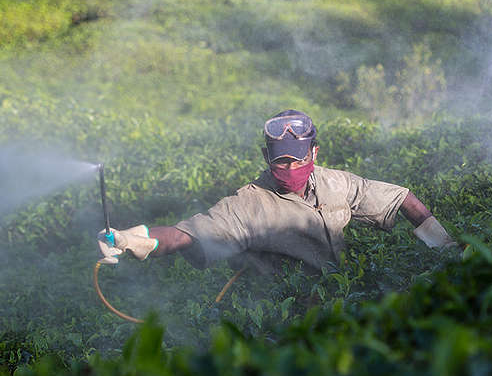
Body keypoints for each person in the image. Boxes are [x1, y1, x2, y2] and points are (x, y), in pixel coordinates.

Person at [97, 109, 457, 273]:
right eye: (280, 163)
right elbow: (185, 234)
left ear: (314, 154)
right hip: (282, 312)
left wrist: (445, 248)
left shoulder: (336, 183)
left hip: (338, 292)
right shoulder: (247, 204)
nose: (289, 170)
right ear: (266, 158)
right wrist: (137, 238)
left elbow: (402, 199)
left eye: (298, 162)